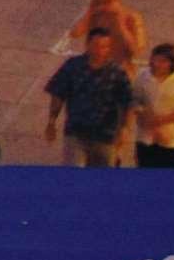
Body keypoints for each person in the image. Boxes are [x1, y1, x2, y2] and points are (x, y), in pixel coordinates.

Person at [45, 28, 142, 168]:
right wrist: (51, 121)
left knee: (102, 179)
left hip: (105, 136)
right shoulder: (73, 66)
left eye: (104, 47)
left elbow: (130, 101)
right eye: (96, 45)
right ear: (87, 44)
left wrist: (125, 128)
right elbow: (58, 93)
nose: (99, 50)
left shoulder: (116, 72)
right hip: (76, 133)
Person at [136, 41, 174, 168]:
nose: (156, 64)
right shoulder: (143, 75)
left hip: (172, 138)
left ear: (172, 63)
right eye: (154, 59)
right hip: (146, 136)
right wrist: (143, 114)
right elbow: (134, 98)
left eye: (162, 61)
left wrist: (159, 121)